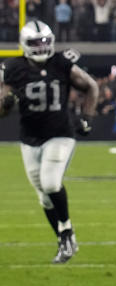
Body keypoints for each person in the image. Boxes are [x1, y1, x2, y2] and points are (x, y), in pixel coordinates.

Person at [0, 20, 99, 263]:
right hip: (29, 139)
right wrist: (6, 104)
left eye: (44, 41)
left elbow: (91, 86)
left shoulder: (61, 63)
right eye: (35, 42)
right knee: (44, 197)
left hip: (60, 134)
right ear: (24, 44)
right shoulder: (13, 69)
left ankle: (66, 231)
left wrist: (86, 117)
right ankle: (65, 242)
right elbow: (1, 110)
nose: (41, 46)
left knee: (51, 183)